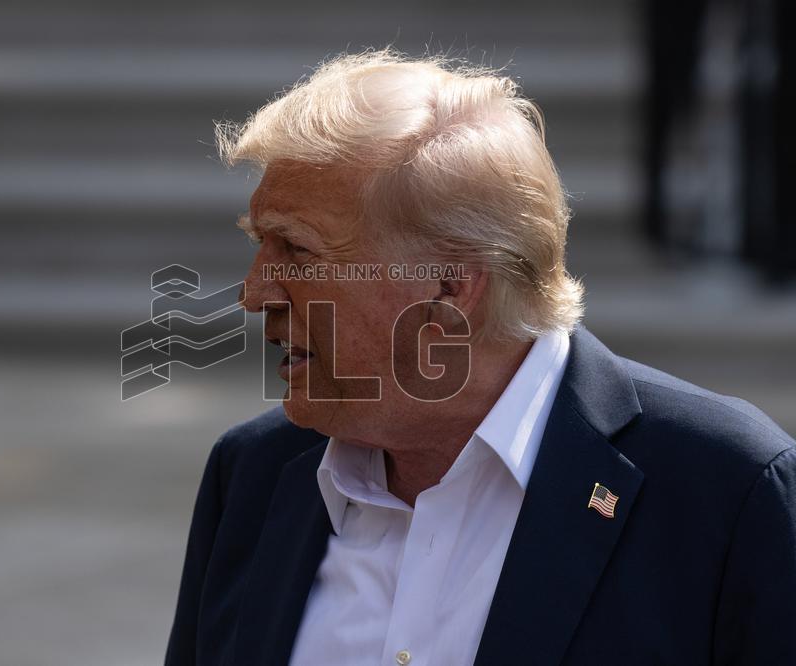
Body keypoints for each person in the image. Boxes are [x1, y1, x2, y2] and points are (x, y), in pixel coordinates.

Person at [164, 49, 796, 665]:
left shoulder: (728, 491)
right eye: (260, 244)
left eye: (298, 252)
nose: (254, 293)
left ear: (449, 285)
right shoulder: (253, 473)